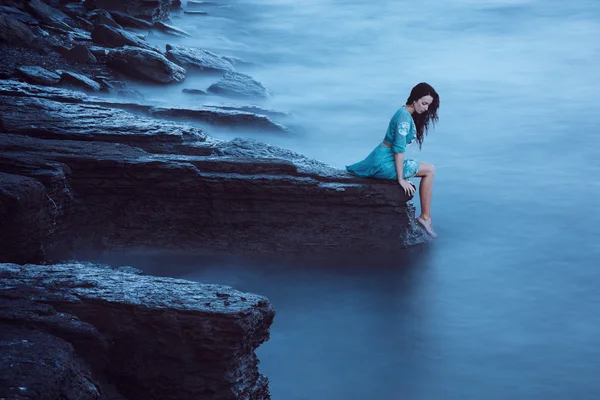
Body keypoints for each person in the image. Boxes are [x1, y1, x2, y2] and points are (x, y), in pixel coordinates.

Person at [346, 82, 440, 238]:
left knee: (427, 167)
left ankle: (425, 217)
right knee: (430, 170)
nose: (425, 108)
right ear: (415, 99)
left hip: (381, 156)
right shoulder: (404, 118)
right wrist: (401, 179)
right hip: (384, 162)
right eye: (424, 103)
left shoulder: (403, 112)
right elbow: (398, 150)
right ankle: (425, 218)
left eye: (428, 105)